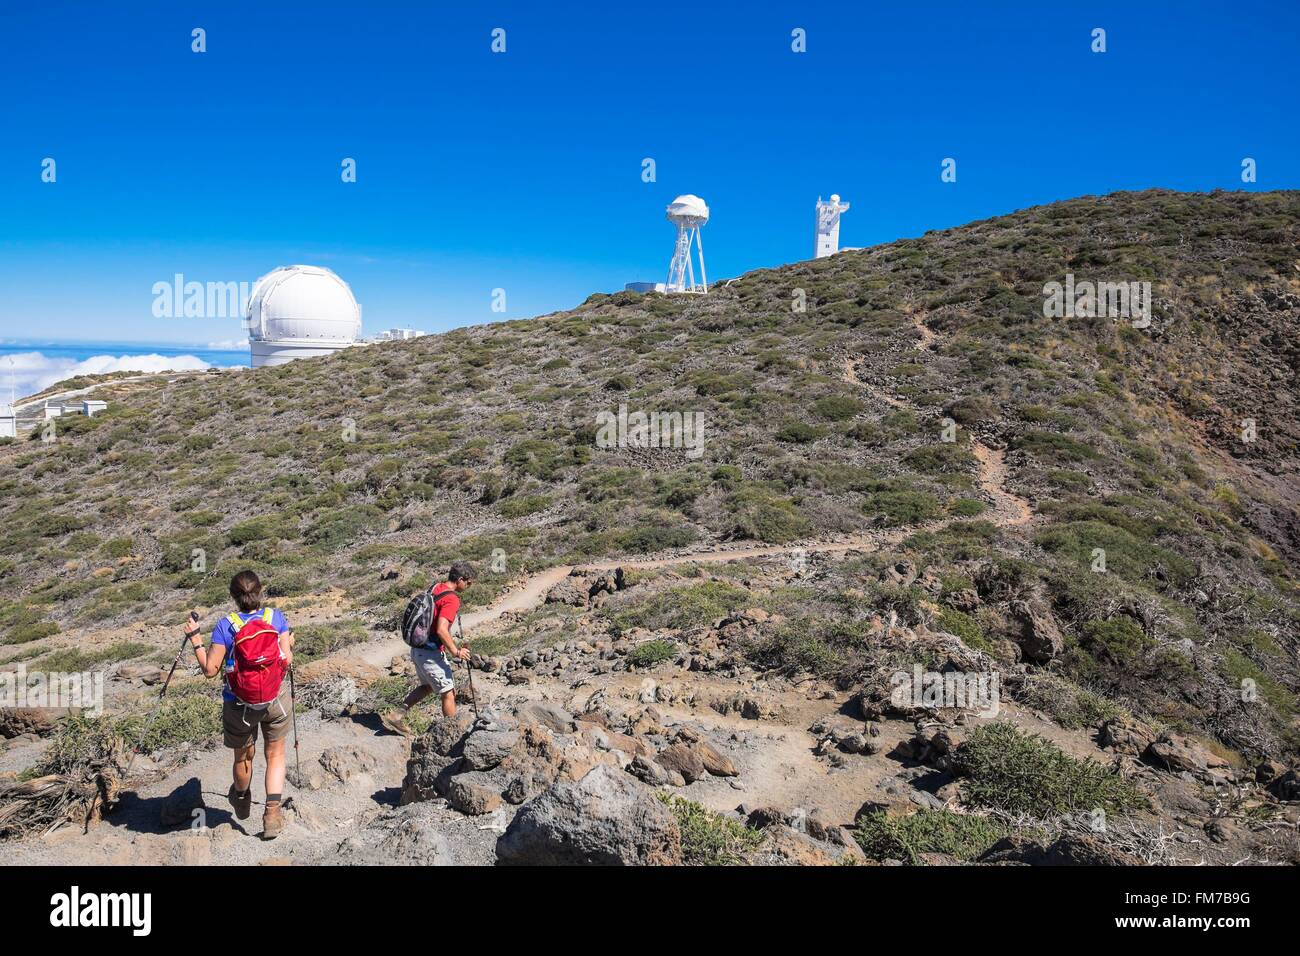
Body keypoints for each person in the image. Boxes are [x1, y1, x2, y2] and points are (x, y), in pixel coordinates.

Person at [185, 569, 295, 839]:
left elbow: (210, 670)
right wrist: (288, 642)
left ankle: (242, 797)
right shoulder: (275, 617)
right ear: (261, 590)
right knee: (276, 754)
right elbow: (287, 659)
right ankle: (272, 813)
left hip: (239, 704)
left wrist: (196, 641)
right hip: (275, 699)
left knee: (243, 756)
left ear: (233, 597)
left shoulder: (227, 625)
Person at [381, 561, 475, 736]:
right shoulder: (451, 598)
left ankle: (396, 715)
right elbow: (441, 629)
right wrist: (456, 651)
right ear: (461, 579)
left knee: (428, 687)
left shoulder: (437, 587)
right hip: (431, 653)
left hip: (418, 650)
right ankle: (452, 734)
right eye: (468, 583)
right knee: (448, 692)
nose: (469, 586)